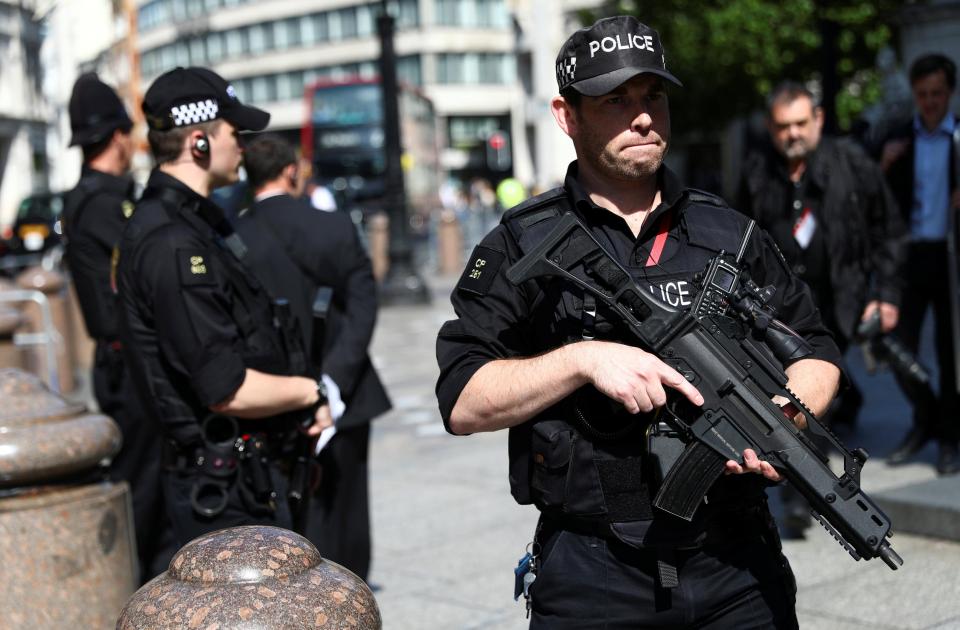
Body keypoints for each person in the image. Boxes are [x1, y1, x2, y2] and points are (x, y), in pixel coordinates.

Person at [436, 16, 842, 628]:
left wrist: (785, 416)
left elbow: (814, 348)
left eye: (653, 96)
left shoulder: (727, 231)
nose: (643, 116)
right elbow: (463, 400)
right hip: (594, 570)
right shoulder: (521, 244)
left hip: (737, 562)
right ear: (566, 116)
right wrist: (583, 360)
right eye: (614, 101)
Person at [116, 66, 332, 546]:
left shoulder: (195, 222)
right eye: (235, 132)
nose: (243, 145)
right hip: (225, 491)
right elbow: (224, 388)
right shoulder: (172, 241)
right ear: (199, 141)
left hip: (245, 472)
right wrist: (309, 394)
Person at [737, 82, 907, 535]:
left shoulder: (852, 165)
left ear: (818, 120)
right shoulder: (757, 173)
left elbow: (889, 232)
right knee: (796, 397)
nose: (792, 134)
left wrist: (885, 294)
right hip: (779, 312)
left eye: (799, 123)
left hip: (839, 299)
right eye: (781, 126)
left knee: (823, 389)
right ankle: (800, 493)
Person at [235, 134, 391, 582]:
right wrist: (334, 379)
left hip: (271, 394)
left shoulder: (233, 237)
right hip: (347, 389)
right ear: (291, 171)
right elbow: (363, 305)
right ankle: (351, 597)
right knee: (347, 508)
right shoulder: (334, 225)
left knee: (283, 511)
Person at [62, 73, 175, 582]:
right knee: (144, 489)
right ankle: (140, 594)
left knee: (149, 483)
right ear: (116, 138)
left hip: (119, 359)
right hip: (126, 364)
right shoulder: (105, 204)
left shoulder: (93, 198)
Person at [878, 53, 960, 475]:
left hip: (950, 257)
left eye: (937, 94)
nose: (930, 102)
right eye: (923, 94)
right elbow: (872, 197)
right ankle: (926, 418)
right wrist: (883, 164)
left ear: (950, 93)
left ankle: (948, 435)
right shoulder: (898, 139)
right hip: (910, 257)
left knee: (952, 352)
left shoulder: (958, 137)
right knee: (897, 347)